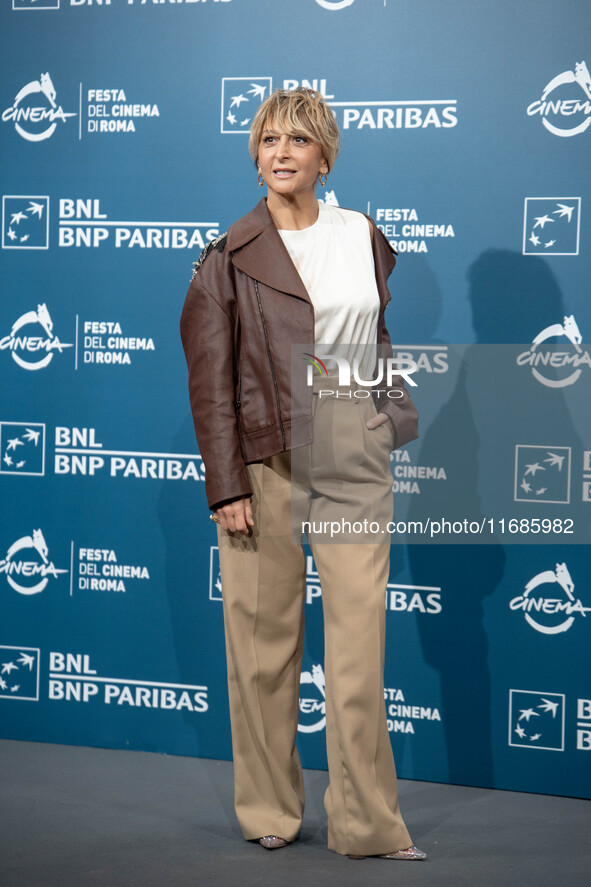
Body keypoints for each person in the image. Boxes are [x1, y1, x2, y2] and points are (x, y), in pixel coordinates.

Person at [180, 88, 425, 861]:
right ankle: (269, 809)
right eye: (266, 141)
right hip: (266, 462)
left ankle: (367, 825)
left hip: (351, 453)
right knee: (263, 648)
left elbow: (374, 332)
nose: (278, 152)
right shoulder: (228, 254)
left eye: (295, 140)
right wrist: (226, 485)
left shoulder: (361, 234)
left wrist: (394, 411)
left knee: (358, 651)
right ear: (255, 156)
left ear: (324, 154)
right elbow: (209, 377)